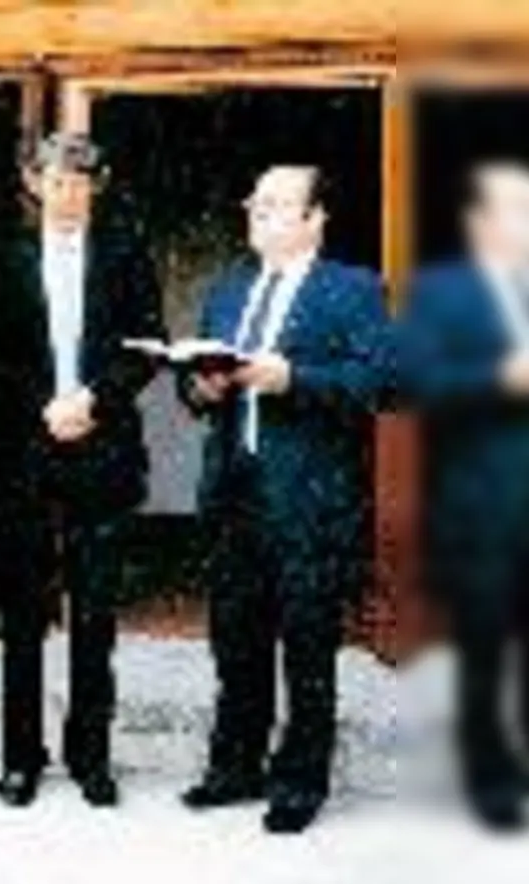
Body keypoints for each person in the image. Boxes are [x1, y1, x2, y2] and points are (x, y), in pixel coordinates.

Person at [179, 165, 387, 834]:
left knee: (306, 643)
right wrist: (201, 391)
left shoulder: (353, 290)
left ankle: (300, 781)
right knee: (235, 640)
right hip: (234, 490)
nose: (257, 212)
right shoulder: (229, 288)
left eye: (274, 203)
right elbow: (197, 390)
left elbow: (381, 382)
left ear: (314, 217)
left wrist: (292, 377)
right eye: (254, 200)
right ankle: (234, 767)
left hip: (309, 497)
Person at [0, 134, 166, 809]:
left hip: (102, 449)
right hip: (24, 456)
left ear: (96, 186)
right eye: (57, 181)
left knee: (95, 611)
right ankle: (21, 757)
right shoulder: (2, 259)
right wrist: (44, 408)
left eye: (82, 182)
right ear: (33, 183)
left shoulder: (124, 254)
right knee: (22, 615)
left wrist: (93, 400)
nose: (69, 194)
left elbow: (146, 347)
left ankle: (92, 756)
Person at [401, 160, 529, 832]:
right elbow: (421, 382)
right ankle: (491, 778)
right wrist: (499, 377)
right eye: (514, 209)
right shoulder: (443, 292)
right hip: (482, 507)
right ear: (481, 221)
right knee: (484, 653)